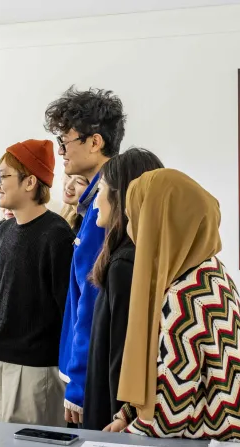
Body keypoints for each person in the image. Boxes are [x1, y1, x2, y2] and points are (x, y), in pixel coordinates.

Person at [104, 168, 240, 444]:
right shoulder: (210, 271)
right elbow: (163, 370)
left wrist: (121, 439)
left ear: (159, 225)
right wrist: (128, 412)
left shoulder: (184, 298)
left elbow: (170, 414)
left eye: (137, 220)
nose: (132, 231)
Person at [0, 139, 75, 426]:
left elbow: (68, 312)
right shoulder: (4, 230)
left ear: (30, 182)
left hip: (33, 370)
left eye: (4, 176)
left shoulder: (55, 235)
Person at [45, 86, 126, 424]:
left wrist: (77, 385)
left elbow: (91, 300)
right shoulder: (95, 200)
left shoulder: (102, 209)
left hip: (93, 373)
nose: (61, 151)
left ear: (95, 142)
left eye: (66, 142)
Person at [82, 148, 164, 431]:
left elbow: (123, 357)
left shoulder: (125, 265)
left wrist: (122, 420)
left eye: (101, 189)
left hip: (113, 418)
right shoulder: (137, 257)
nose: (96, 202)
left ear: (122, 197)